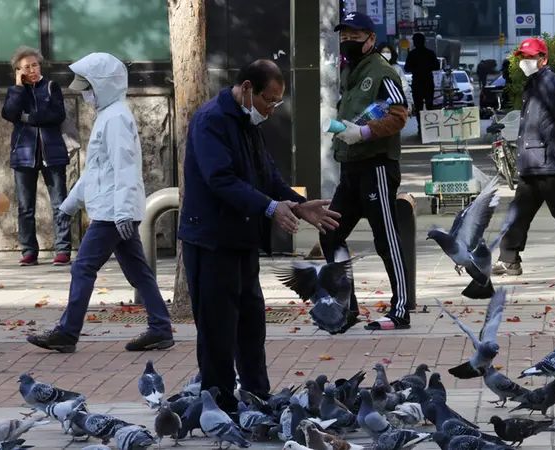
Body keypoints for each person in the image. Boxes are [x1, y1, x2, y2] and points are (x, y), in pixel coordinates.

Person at [179, 59, 340, 411]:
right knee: (218, 329)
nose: (272, 109)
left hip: (242, 240)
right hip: (210, 240)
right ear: (248, 88)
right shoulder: (211, 121)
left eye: (278, 102)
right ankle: (219, 405)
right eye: (270, 100)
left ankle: (257, 394)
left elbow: (267, 175)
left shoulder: (249, 122)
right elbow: (221, 180)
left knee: (251, 323)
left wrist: (298, 206)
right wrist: (271, 208)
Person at [26, 53, 175, 354]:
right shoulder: (110, 115)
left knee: (83, 267)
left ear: (103, 85)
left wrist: (119, 212)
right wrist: (69, 205)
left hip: (113, 212)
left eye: (87, 85)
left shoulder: (116, 117)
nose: (82, 91)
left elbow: (124, 168)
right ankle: (160, 328)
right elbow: (97, 170)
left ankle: (68, 333)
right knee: (138, 272)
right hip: (116, 210)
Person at [321, 12, 412, 331]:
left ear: (371, 39)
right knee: (330, 232)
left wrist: (364, 133)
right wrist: (334, 126)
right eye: (343, 36)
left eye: (355, 36)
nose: (348, 41)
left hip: (376, 165)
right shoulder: (348, 70)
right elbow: (349, 115)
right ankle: (347, 307)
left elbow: (400, 115)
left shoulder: (383, 71)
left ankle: (401, 309)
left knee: (386, 237)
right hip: (350, 167)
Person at [492, 38, 555, 276]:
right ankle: (509, 259)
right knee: (519, 211)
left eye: (530, 57)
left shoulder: (550, 82)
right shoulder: (534, 82)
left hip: (548, 163)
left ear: (543, 59)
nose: (525, 62)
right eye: (523, 58)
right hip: (532, 162)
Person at [1, 46, 72, 267]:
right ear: (18, 71)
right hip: (23, 155)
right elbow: (9, 114)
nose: (32, 69)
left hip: (53, 154)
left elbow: (57, 114)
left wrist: (29, 118)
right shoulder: (16, 90)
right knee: (25, 206)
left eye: (35, 65)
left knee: (60, 203)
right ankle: (29, 251)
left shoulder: (51, 86)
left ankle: (63, 250)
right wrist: (19, 87)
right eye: (26, 67)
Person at [404, 32, 439, 132]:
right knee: (429, 105)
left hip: (417, 83)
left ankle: (420, 127)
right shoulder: (430, 53)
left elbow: (407, 68)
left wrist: (416, 68)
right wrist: (427, 67)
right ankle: (430, 125)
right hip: (428, 82)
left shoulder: (412, 54)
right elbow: (437, 66)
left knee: (418, 106)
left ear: (415, 42)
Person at [378, 43, 413, 115]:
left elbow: (405, 87)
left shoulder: (396, 69)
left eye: (388, 52)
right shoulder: (373, 68)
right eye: (383, 52)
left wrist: (408, 104)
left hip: (395, 106)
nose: (385, 54)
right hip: (377, 106)